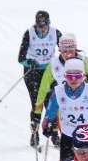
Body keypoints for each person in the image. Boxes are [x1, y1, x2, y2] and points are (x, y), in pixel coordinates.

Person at [41, 58, 88, 161]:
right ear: (65, 76)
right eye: (70, 76)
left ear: (84, 75)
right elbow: (48, 116)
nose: (74, 79)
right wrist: (47, 126)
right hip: (69, 139)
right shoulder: (58, 92)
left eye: (78, 76)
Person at [33, 33, 88, 127]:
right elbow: (43, 89)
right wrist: (37, 112)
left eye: (71, 50)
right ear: (60, 50)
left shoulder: (84, 61)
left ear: (75, 48)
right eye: (64, 51)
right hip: (64, 107)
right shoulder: (53, 65)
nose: (68, 54)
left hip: (84, 104)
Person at [17, 10, 60, 148]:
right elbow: (21, 58)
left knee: (52, 103)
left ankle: (54, 135)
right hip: (33, 73)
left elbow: (66, 49)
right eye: (40, 26)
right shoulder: (29, 33)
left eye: (45, 26)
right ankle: (34, 134)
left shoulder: (55, 33)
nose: (42, 29)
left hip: (49, 73)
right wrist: (30, 62)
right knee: (37, 103)